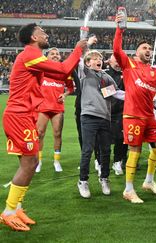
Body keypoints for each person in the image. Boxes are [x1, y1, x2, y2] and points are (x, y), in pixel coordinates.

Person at [1, 23, 86, 231]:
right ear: (32, 37)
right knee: (29, 164)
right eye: (41, 31)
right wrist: (78, 49)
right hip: (19, 115)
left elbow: (61, 74)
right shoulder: (29, 53)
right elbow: (64, 68)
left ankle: (17, 207)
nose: (46, 34)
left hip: (25, 114)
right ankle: (8, 212)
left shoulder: (33, 57)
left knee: (30, 163)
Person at [114, 14, 156, 203]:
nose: (148, 50)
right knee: (135, 150)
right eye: (144, 47)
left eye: (150, 48)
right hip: (133, 115)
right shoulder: (129, 65)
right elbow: (117, 49)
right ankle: (128, 189)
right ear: (136, 52)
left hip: (149, 115)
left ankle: (149, 181)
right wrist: (120, 29)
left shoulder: (154, 71)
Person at [77, 48, 125, 199]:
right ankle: (83, 180)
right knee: (87, 150)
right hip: (89, 117)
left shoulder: (105, 77)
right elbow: (77, 62)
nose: (98, 60)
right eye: (94, 58)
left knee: (106, 151)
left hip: (105, 118)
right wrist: (86, 45)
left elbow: (116, 93)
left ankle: (104, 178)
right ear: (87, 62)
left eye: (100, 58)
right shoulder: (84, 73)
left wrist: (137, 97)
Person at [35, 47, 74, 173]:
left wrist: (65, 94)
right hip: (43, 107)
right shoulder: (41, 70)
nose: (55, 55)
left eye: (57, 54)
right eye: (52, 53)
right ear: (47, 57)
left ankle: (56, 161)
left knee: (57, 134)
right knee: (40, 134)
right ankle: (38, 161)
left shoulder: (64, 72)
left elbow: (70, 88)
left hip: (57, 107)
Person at [105, 54, 128, 176]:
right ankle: (102, 161)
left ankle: (118, 160)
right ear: (109, 61)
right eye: (116, 59)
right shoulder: (104, 74)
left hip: (123, 111)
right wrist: (126, 94)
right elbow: (104, 91)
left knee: (122, 139)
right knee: (104, 139)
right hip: (107, 111)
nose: (118, 62)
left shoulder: (127, 73)